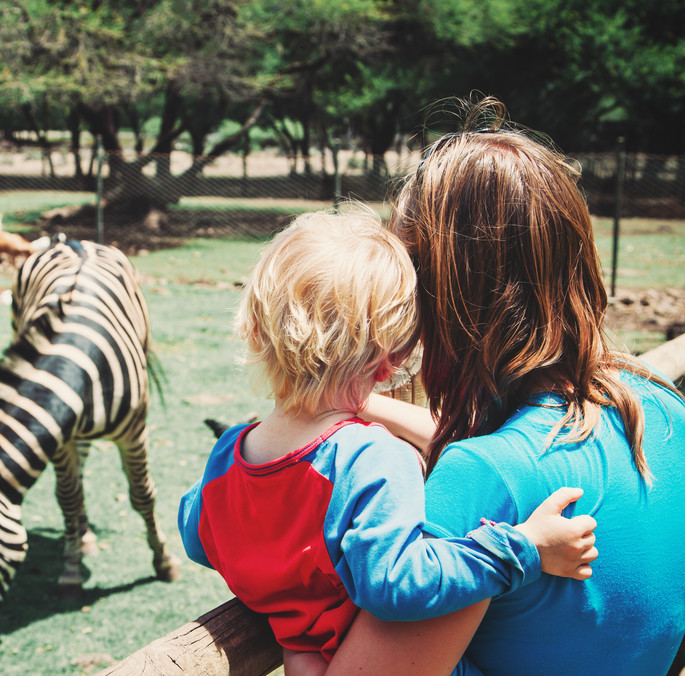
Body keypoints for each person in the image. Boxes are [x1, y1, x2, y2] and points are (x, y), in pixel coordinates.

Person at [307, 98, 685, 676]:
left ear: (448, 292)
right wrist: (361, 401)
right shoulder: (660, 404)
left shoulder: (484, 476)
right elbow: (508, 448)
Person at [178, 205, 599, 669]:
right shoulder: (372, 457)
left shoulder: (231, 451)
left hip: (303, 649)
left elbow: (197, 537)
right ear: (389, 363)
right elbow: (397, 584)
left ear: (256, 331)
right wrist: (523, 550)